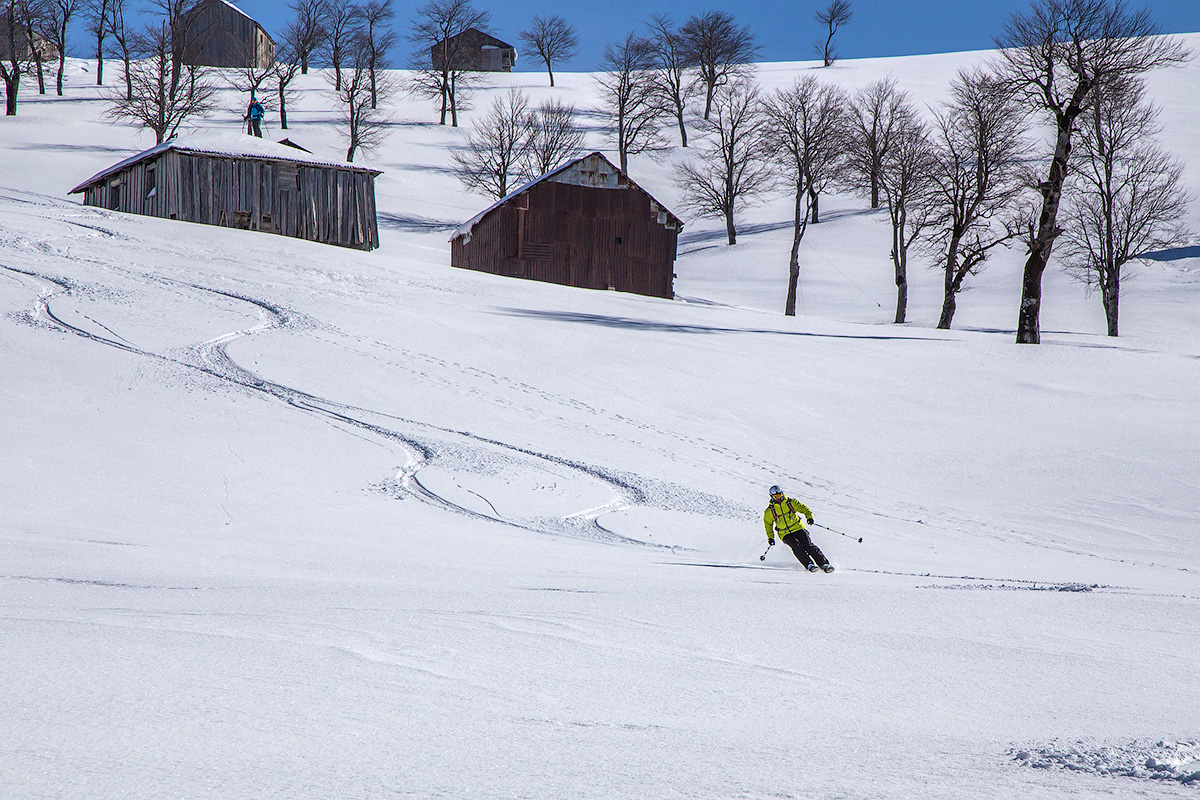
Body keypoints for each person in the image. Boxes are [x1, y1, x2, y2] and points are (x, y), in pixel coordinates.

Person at [763, 485, 833, 572]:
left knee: (808, 545)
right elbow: (768, 524)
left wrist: (809, 517)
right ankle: (809, 564)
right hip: (784, 533)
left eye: (780, 495)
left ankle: (824, 564)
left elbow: (804, 509)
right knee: (796, 546)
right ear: (772, 497)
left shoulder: (791, 502)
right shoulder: (770, 511)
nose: (778, 498)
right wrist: (770, 537)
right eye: (776, 497)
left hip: (798, 528)